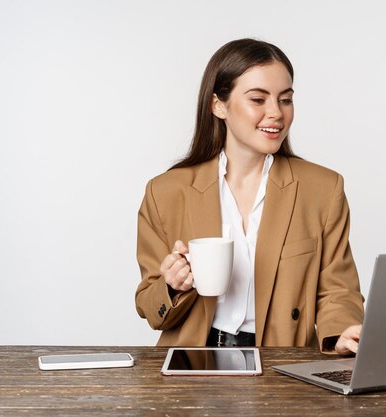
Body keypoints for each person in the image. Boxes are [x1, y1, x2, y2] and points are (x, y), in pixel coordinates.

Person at [135, 38, 364, 355]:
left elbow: (338, 290)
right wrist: (173, 285)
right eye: (258, 99)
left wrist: (339, 334)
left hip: (282, 362)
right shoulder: (166, 192)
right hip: (193, 362)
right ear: (219, 105)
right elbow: (149, 307)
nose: (276, 113)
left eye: (285, 100)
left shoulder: (323, 189)